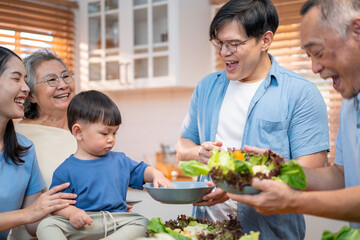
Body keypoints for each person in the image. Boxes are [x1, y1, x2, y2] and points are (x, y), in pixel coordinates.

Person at [176, 0, 329, 239]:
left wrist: (240, 185)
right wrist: (198, 153)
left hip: (272, 233)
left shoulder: (300, 93)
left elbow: (313, 170)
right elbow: (182, 146)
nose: (224, 52)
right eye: (219, 43)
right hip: (206, 230)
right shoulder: (206, 87)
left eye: (234, 44)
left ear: (265, 40)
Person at [227, 0, 360, 227]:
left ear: (357, 30)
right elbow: (341, 177)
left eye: (318, 52)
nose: (315, 68)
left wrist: (294, 201)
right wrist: (282, 170)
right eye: (309, 56)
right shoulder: (350, 98)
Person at [36, 90, 173, 240]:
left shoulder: (120, 161)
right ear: (78, 132)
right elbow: (56, 206)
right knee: (47, 225)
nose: (111, 139)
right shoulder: (65, 170)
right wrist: (72, 213)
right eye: (104, 133)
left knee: (143, 222)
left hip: (115, 221)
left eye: (114, 133)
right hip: (84, 224)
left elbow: (143, 170)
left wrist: (156, 174)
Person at [0, 46, 77, 240]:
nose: (25, 88)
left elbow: (34, 223)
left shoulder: (24, 148)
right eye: (17, 79)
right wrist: (28, 214)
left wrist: (97, 220)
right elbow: (29, 214)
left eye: (25, 81)